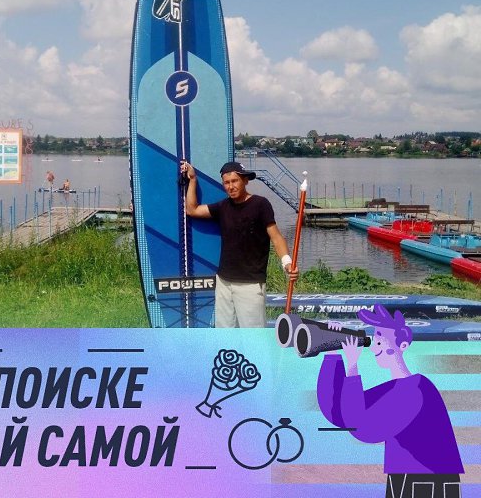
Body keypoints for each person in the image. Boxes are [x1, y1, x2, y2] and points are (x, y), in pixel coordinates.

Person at [317, 305, 463, 498]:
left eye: (380, 340)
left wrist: (352, 367)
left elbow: (362, 428)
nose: (374, 346)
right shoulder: (395, 389)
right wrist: (332, 353)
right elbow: (338, 412)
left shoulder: (416, 390)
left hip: (428, 481)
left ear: (402, 346)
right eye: (375, 340)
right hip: (405, 479)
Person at [181, 160, 298, 328]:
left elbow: (277, 237)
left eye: (235, 181)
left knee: (253, 336)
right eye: (226, 183)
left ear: (245, 181)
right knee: (225, 334)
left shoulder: (261, 204)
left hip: (250, 284)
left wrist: (287, 262)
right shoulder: (223, 207)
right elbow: (192, 209)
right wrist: (193, 180)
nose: (231, 186)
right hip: (224, 282)